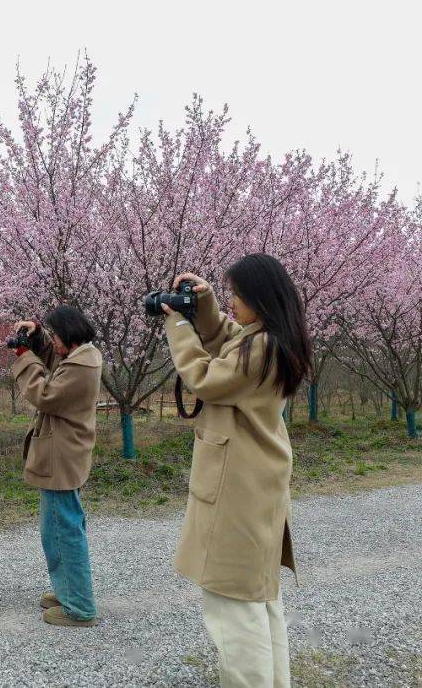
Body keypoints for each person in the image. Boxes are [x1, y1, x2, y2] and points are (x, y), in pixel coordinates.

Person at [162, 254, 310, 688]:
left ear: (260, 301)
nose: (232, 303)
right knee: (260, 604)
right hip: (256, 484)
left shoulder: (262, 348)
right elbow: (232, 340)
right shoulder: (273, 339)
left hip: (237, 490)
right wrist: (205, 308)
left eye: (236, 297)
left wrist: (180, 327)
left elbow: (206, 378)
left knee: (234, 613)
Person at [10, 305, 103, 628]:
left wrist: (24, 356)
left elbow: (46, 394)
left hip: (62, 455)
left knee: (64, 531)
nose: (54, 343)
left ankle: (79, 606)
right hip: (63, 452)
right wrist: (37, 338)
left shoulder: (82, 365)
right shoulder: (81, 357)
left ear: (69, 335)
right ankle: (68, 590)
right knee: (57, 529)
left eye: (55, 336)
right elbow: (57, 367)